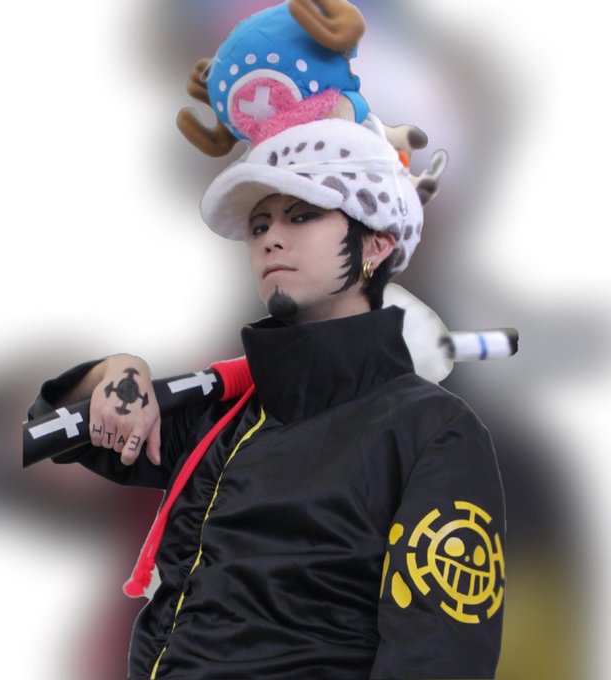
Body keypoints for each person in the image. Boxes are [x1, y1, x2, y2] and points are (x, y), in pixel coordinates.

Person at [28, 118, 505, 679]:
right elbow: (49, 437)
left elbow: (438, 660)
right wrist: (109, 374)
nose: (271, 238)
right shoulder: (219, 415)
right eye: (259, 225)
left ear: (377, 243)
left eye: (303, 215)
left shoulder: (434, 431)